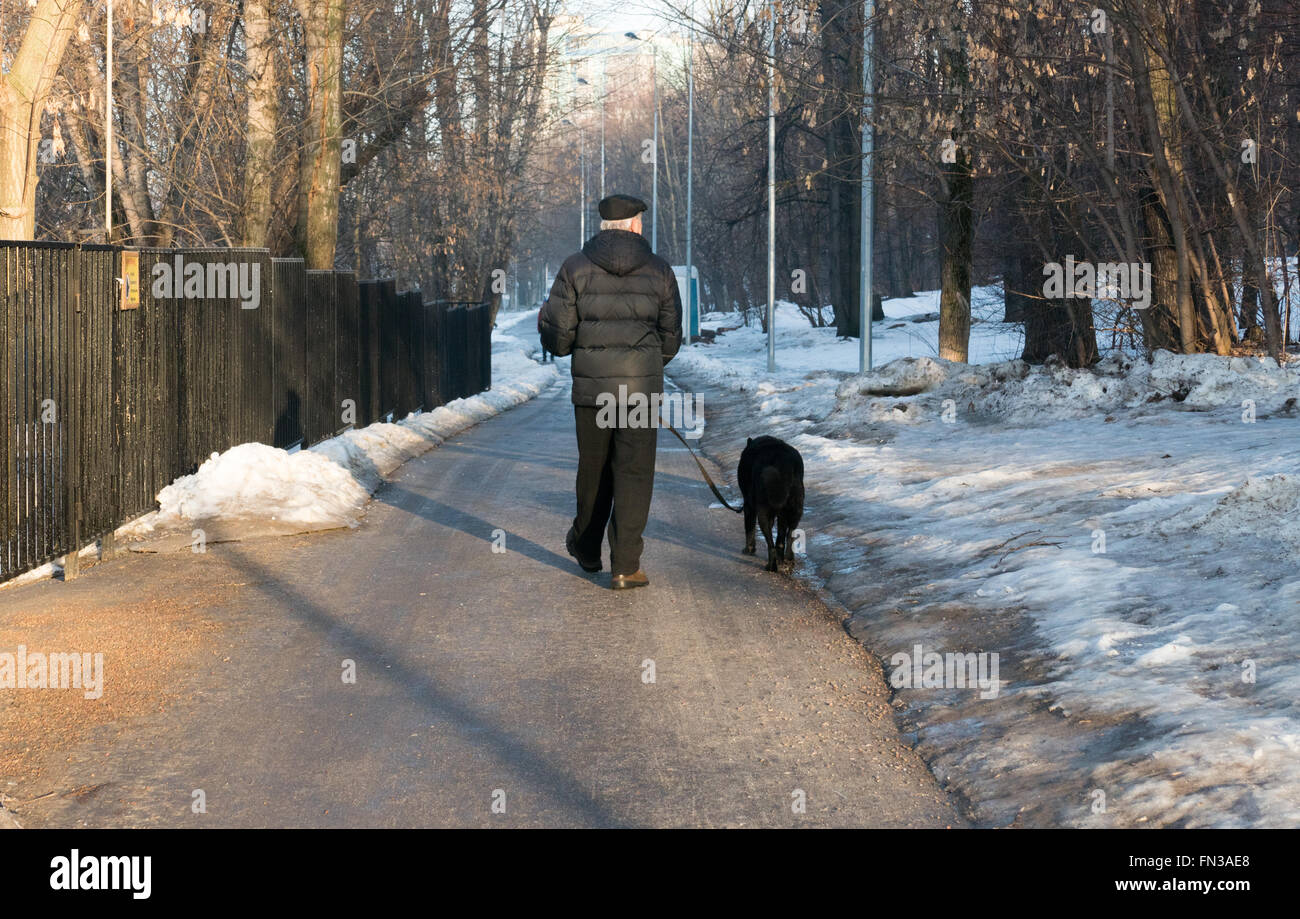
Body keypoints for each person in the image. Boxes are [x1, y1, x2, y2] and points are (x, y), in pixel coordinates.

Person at [539, 194, 683, 590]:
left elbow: (560, 338)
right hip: (638, 393)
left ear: (604, 226)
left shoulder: (574, 267)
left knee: (594, 472)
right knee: (634, 475)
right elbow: (671, 339)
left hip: (592, 393)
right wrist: (643, 369)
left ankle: (586, 550)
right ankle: (625, 566)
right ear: (635, 225)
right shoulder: (660, 271)